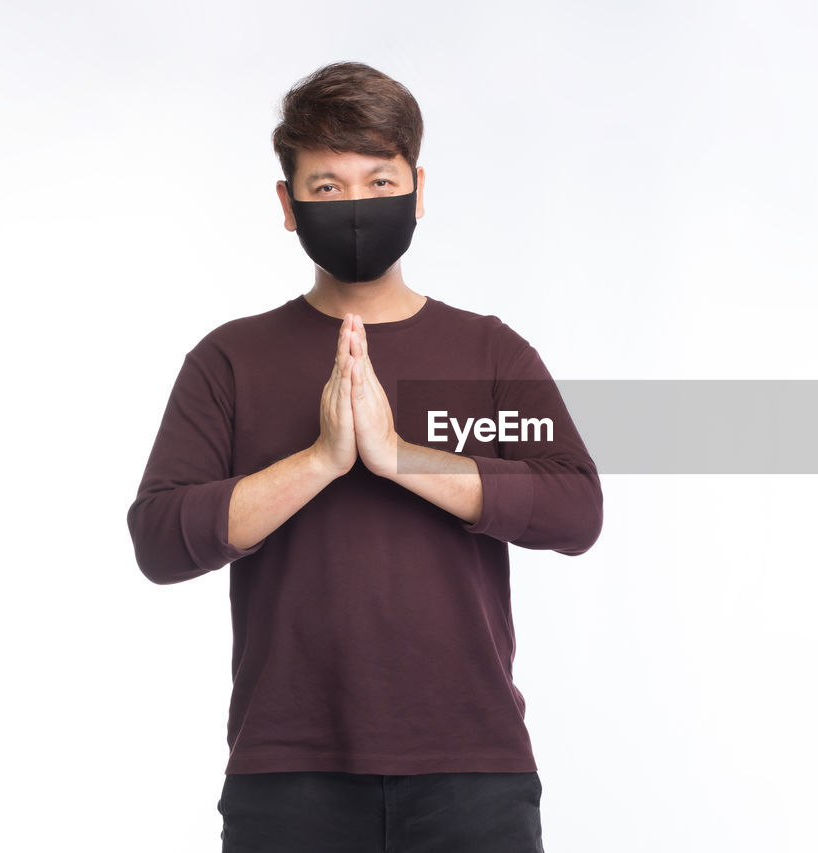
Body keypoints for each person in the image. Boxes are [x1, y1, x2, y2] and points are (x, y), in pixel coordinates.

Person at [126, 60, 603, 853]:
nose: (355, 207)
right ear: (287, 204)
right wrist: (320, 459)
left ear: (419, 189)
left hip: (472, 772)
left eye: (379, 181)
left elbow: (576, 509)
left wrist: (400, 457)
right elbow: (160, 539)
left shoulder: (490, 351)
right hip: (287, 778)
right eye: (326, 187)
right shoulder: (229, 359)